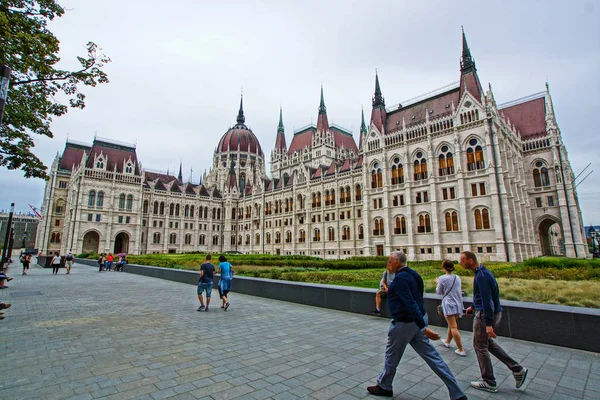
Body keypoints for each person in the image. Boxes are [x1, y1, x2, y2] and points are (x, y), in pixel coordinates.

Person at [367, 251, 467, 400]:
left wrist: (423, 327)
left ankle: (384, 386)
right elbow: (419, 298)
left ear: (397, 262)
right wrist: (421, 322)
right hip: (417, 320)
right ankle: (457, 393)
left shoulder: (400, 279)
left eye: (389, 261)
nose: (387, 264)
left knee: (391, 355)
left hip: (404, 323)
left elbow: (410, 303)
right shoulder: (415, 275)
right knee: (433, 357)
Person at [460, 251, 528, 393]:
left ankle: (489, 381)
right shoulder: (482, 273)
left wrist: (489, 324)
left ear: (471, 260)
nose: (460, 263)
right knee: (486, 343)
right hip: (488, 312)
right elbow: (483, 296)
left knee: (480, 346)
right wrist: (472, 307)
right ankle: (517, 369)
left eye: (462, 260)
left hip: (485, 315)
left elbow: (487, 301)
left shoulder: (482, 276)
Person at [436, 259, 466, 356]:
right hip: (457, 303)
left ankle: (461, 349)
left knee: (453, 326)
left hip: (448, 304)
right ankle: (447, 341)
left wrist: (437, 282)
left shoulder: (442, 278)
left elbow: (439, 292)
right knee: (452, 324)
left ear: (443, 267)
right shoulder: (457, 277)